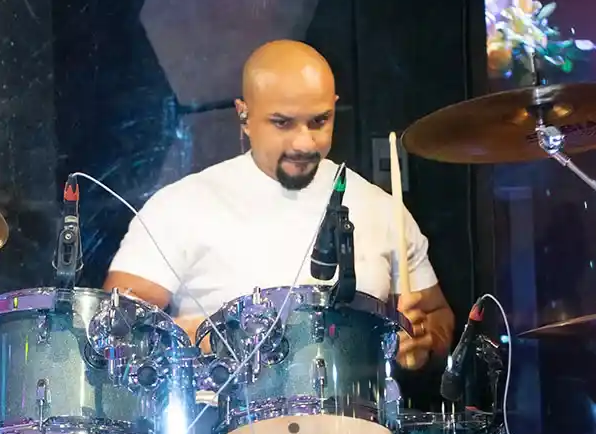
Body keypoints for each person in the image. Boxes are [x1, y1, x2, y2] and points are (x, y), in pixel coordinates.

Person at [104, 39, 454, 367]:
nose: (304, 143)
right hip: (217, 409)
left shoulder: (381, 209)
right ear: (244, 116)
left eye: (319, 121)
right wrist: (207, 337)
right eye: (282, 123)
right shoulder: (179, 207)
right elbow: (113, 329)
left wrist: (422, 338)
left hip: (357, 410)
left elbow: (438, 318)